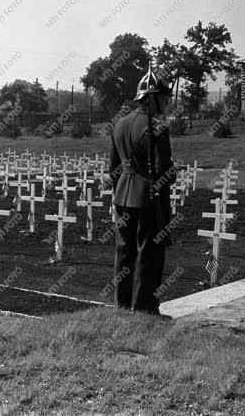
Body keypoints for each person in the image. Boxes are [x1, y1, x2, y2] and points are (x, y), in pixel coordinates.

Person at [108, 65, 176, 315]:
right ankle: (145, 308)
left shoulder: (120, 124)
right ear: (152, 98)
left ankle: (123, 305)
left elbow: (113, 167)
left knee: (124, 251)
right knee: (149, 252)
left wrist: (120, 191)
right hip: (148, 198)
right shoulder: (158, 126)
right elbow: (162, 171)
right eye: (163, 97)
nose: (166, 102)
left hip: (123, 195)